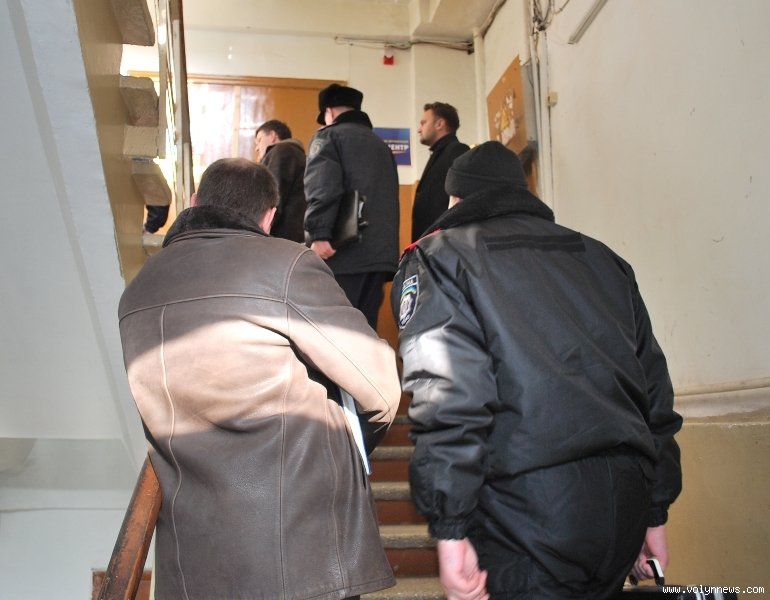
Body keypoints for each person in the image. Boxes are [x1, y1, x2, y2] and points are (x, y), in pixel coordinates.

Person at [391, 141, 682, 599]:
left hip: (524, 511)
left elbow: (448, 393)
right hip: (624, 501)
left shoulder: (440, 256)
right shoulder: (604, 259)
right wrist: (654, 512)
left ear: (457, 199)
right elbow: (654, 395)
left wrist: (450, 528)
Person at [119, 158, 400, 600]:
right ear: (269, 217)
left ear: (194, 201)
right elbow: (380, 385)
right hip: (302, 554)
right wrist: (349, 441)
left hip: (195, 566)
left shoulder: (138, 289)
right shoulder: (287, 265)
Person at [304, 83, 400, 329]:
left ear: (329, 112)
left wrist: (319, 233)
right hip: (379, 257)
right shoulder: (381, 146)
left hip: (342, 252)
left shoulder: (328, 136)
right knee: (364, 329)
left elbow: (322, 186)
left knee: (334, 331)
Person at [411, 101, 469, 242]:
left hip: (444, 243)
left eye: (423, 123)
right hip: (434, 244)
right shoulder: (440, 154)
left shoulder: (457, 151)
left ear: (439, 124)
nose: (419, 129)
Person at [254, 119, 307, 243]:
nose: (256, 148)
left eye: (259, 140)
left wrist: (257, 231)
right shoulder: (298, 156)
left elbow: (273, 196)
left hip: (279, 237)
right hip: (295, 237)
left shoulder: (281, 151)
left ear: (272, 136)